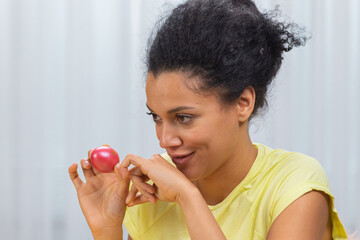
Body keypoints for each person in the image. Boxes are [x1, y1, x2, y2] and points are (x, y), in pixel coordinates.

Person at [68, 0, 348, 239]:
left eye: (183, 117)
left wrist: (188, 198)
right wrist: (107, 231)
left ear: (243, 103)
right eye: (156, 117)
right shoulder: (152, 194)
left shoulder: (295, 185)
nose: (165, 140)